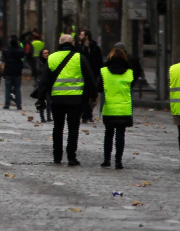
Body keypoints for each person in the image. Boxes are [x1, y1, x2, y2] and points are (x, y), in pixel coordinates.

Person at [46, 33, 96, 166]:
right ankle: (71, 157)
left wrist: (41, 98)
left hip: (57, 99)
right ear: (72, 43)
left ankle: (57, 156)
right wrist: (93, 95)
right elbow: (89, 78)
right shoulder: (80, 58)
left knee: (58, 128)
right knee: (73, 128)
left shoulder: (52, 58)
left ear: (59, 43)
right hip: (75, 99)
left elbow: (45, 79)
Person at [99, 44, 133, 170]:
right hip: (124, 108)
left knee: (108, 134)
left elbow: (99, 87)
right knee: (120, 134)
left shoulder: (104, 72)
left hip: (109, 107)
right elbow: (132, 85)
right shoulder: (129, 73)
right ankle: (118, 160)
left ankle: (107, 159)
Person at [1, 36, 24, 110]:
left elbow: (3, 59)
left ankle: (7, 104)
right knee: (17, 89)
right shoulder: (20, 50)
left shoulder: (6, 51)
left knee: (8, 89)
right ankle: (18, 105)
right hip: (17, 71)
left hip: (8, 71)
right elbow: (23, 56)